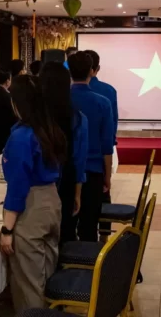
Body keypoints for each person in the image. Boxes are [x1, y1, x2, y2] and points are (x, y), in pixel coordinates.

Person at [1, 75, 67, 311]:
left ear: (17, 103)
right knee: (46, 276)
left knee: (29, 285)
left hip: (31, 207)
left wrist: (7, 229)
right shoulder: (49, 129)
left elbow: (17, 187)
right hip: (52, 201)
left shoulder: (21, 137)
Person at [39, 62, 89, 244]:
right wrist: (77, 194)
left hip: (38, 189)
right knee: (64, 236)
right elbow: (79, 160)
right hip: (66, 183)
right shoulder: (78, 119)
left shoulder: (34, 121)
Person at [68, 51, 114, 242]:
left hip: (66, 173)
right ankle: (89, 260)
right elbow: (107, 145)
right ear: (91, 71)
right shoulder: (103, 103)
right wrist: (107, 177)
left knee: (66, 228)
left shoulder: (61, 101)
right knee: (89, 228)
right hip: (93, 172)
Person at [83, 49, 119, 238]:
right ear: (97, 68)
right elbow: (111, 131)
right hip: (97, 161)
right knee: (102, 199)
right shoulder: (108, 91)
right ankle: (104, 238)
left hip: (70, 163)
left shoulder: (65, 94)